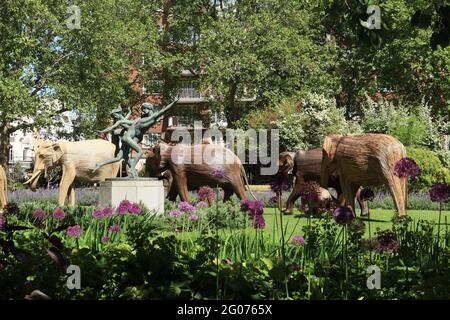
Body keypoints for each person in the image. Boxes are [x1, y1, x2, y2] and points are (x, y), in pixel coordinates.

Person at [95, 98, 178, 178]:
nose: (143, 110)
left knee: (119, 157)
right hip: (128, 138)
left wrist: (173, 103)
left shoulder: (147, 119)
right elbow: (122, 122)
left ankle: (100, 164)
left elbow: (162, 111)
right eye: (143, 109)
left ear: (149, 108)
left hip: (132, 138)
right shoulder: (141, 119)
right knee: (140, 151)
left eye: (145, 108)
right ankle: (132, 170)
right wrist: (104, 131)